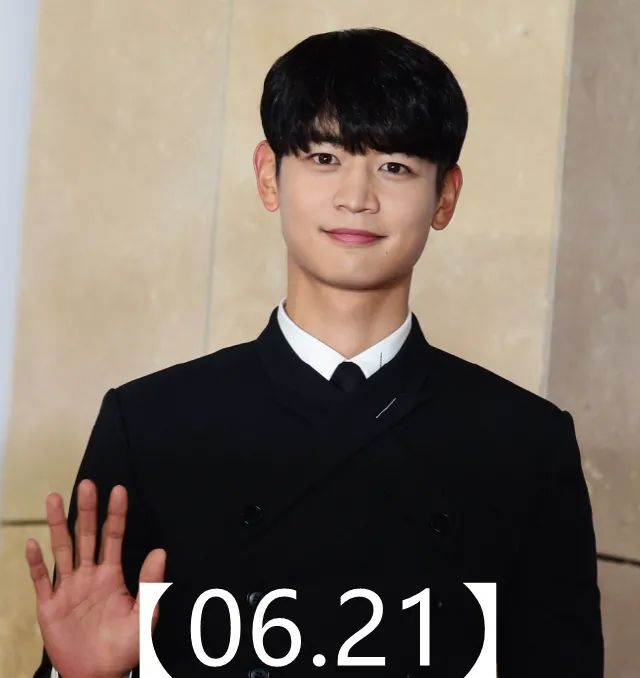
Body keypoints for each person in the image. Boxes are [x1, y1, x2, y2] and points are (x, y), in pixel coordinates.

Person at [26, 27, 604, 677]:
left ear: (445, 196)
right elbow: (87, 648)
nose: (357, 197)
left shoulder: (524, 444)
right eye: (325, 158)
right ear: (268, 176)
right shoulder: (152, 425)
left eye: (394, 166)